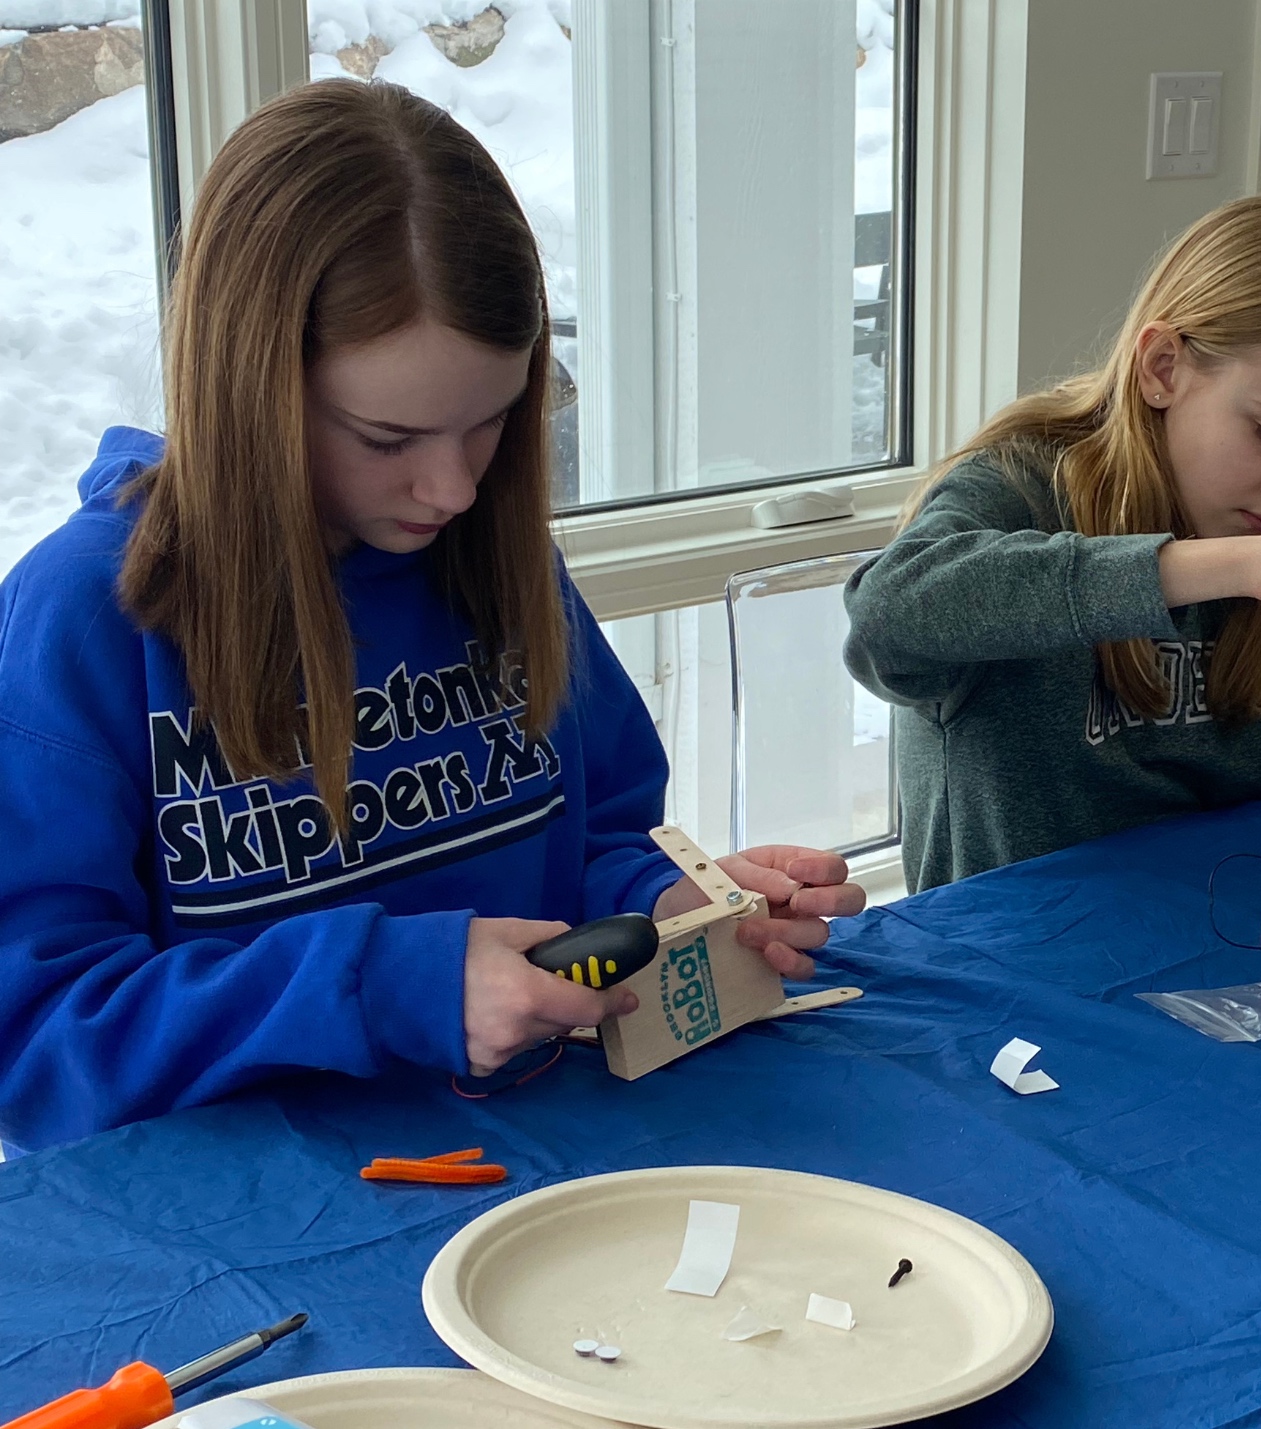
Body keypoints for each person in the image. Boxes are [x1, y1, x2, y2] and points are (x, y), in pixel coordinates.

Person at [0, 81, 863, 1153]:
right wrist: (390, 983)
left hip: (547, 1160)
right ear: (248, 386)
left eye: (491, 422)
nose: (452, 489)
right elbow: (35, 1039)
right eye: (386, 437)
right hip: (250, 1219)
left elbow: (591, 841)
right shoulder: (83, 616)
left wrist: (671, 907)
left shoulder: (494, 559)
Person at [845, 194, 1261, 894]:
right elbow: (885, 616)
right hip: (1015, 970)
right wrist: (1234, 567)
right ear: (1163, 368)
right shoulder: (1018, 487)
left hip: (1229, 952)